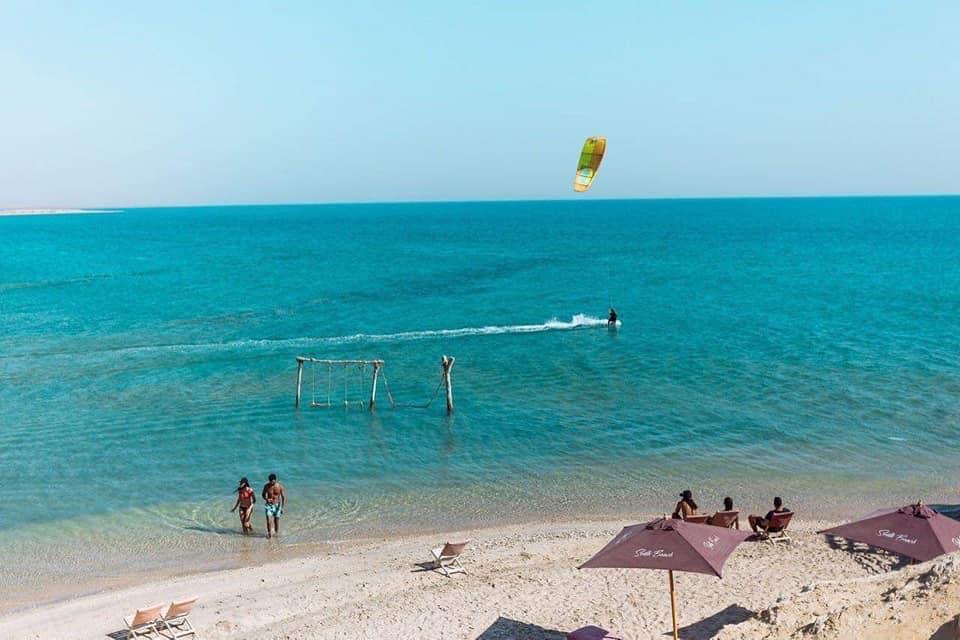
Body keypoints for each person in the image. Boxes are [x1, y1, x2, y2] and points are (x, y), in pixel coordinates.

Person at [261, 473, 286, 539]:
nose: (272, 483)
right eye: (270, 481)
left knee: (276, 521)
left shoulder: (280, 486)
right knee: (268, 521)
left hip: (277, 505)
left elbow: (283, 497)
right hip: (268, 505)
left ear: (275, 480)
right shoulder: (266, 486)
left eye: (273, 481)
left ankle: (276, 533)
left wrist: (282, 508)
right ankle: (269, 534)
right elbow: (263, 494)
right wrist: (267, 499)